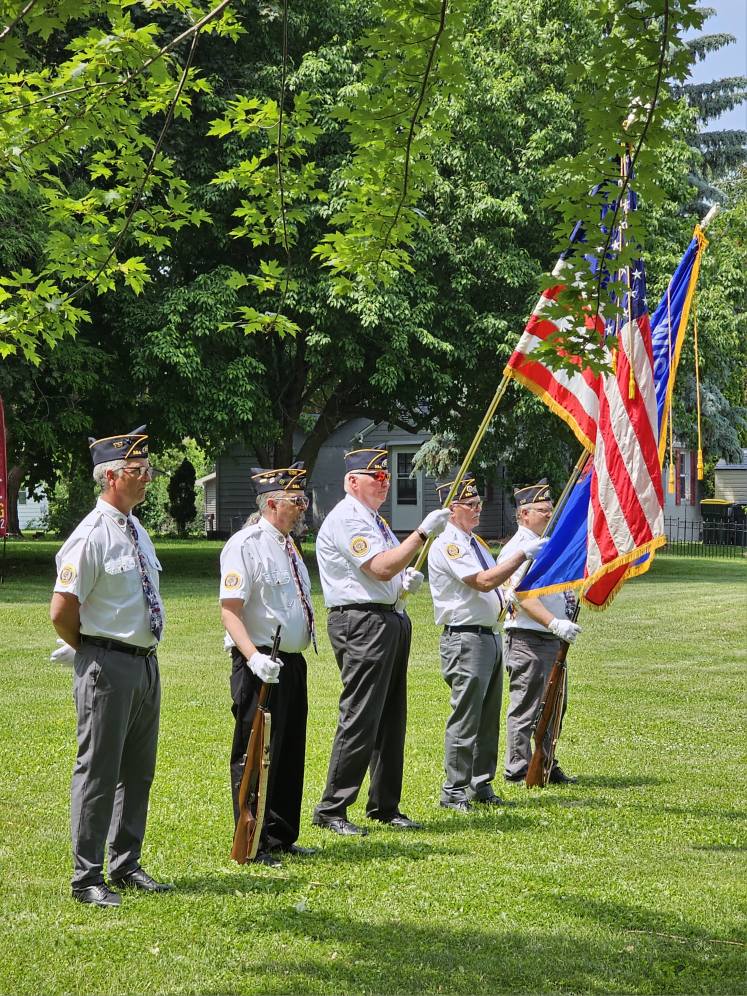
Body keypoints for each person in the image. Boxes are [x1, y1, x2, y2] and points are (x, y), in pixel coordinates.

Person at [50, 425, 172, 908]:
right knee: (99, 770)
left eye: (146, 470)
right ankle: (86, 877)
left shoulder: (135, 528)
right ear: (111, 477)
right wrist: (87, 649)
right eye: (138, 471)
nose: (147, 478)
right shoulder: (91, 535)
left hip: (143, 663)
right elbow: (62, 608)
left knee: (138, 771)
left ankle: (126, 863)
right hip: (107, 662)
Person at [313, 448, 451, 835]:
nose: (384, 483)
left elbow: (390, 567)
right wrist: (421, 534)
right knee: (361, 714)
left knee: (391, 716)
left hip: (388, 617)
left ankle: (385, 805)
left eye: (387, 477)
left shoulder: (375, 520)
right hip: (361, 621)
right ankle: (332, 807)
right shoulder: (347, 519)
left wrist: (401, 585)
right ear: (352, 481)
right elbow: (379, 566)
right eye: (376, 477)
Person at [428, 476, 546, 811]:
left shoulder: (475, 542)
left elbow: (494, 584)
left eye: (480, 503)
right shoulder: (449, 544)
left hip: (488, 635)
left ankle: (481, 784)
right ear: (452, 510)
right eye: (471, 504)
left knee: (488, 718)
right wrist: (522, 553)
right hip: (465, 638)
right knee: (466, 717)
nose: (478, 509)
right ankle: (454, 789)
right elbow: (482, 581)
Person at [219, 462, 316, 867]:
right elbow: (230, 610)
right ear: (272, 502)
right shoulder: (246, 544)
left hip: (290, 662)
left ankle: (280, 834)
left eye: (303, 499)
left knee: (290, 749)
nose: (303, 507)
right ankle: (252, 838)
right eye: (296, 500)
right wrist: (254, 656)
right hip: (259, 662)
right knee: (257, 751)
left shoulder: (286, 544)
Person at [498, 478, 581, 785]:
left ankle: (545, 763)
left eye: (549, 509)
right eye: (542, 510)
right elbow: (519, 594)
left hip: (551, 641)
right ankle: (518, 769)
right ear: (523, 515)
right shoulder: (517, 549)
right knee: (527, 707)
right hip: (529, 639)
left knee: (554, 707)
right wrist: (553, 622)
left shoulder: (545, 546)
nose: (549, 514)